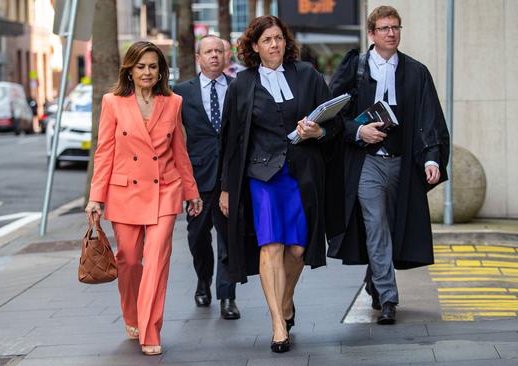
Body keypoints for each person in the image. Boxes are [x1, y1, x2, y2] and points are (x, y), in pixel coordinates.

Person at [218, 15, 341, 353]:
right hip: (261, 176)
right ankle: (277, 324)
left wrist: (319, 131)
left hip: (302, 173)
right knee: (271, 245)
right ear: (254, 47)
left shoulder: (308, 75)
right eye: (267, 40)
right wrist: (227, 186)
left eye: (278, 38)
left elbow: (335, 122)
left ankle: (286, 303)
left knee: (298, 249)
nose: (274, 44)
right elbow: (230, 139)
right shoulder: (241, 84)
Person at [327, 6, 450, 325]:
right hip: (366, 163)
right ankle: (389, 297)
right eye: (384, 28)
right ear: (371, 34)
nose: (391, 33)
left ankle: (375, 279)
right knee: (376, 224)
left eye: (396, 27)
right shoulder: (356, 67)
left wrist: (432, 157)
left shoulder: (416, 71)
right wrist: (358, 130)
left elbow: (429, 117)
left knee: (395, 226)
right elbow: (331, 111)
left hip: (404, 164)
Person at [85, 41, 202, 356]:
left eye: (153, 66)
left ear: (160, 69)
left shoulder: (173, 102)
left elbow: (180, 151)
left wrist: (191, 191)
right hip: (124, 191)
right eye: (141, 66)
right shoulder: (113, 102)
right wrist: (96, 197)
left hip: (165, 188)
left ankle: (151, 330)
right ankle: (132, 314)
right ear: (130, 69)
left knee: (157, 259)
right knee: (130, 260)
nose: (147, 72)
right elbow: (104, 152)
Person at [173, 35, 239, 320]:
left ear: (226, 57)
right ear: (198, 57)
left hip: (229, 177)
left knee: (228, 239)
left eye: (219, 51)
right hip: (196, 180)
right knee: (198, 237)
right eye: (208, 51)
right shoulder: (180, 93)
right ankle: (203, 280)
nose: (214, 55)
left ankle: (227, 296)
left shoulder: (239, 88)